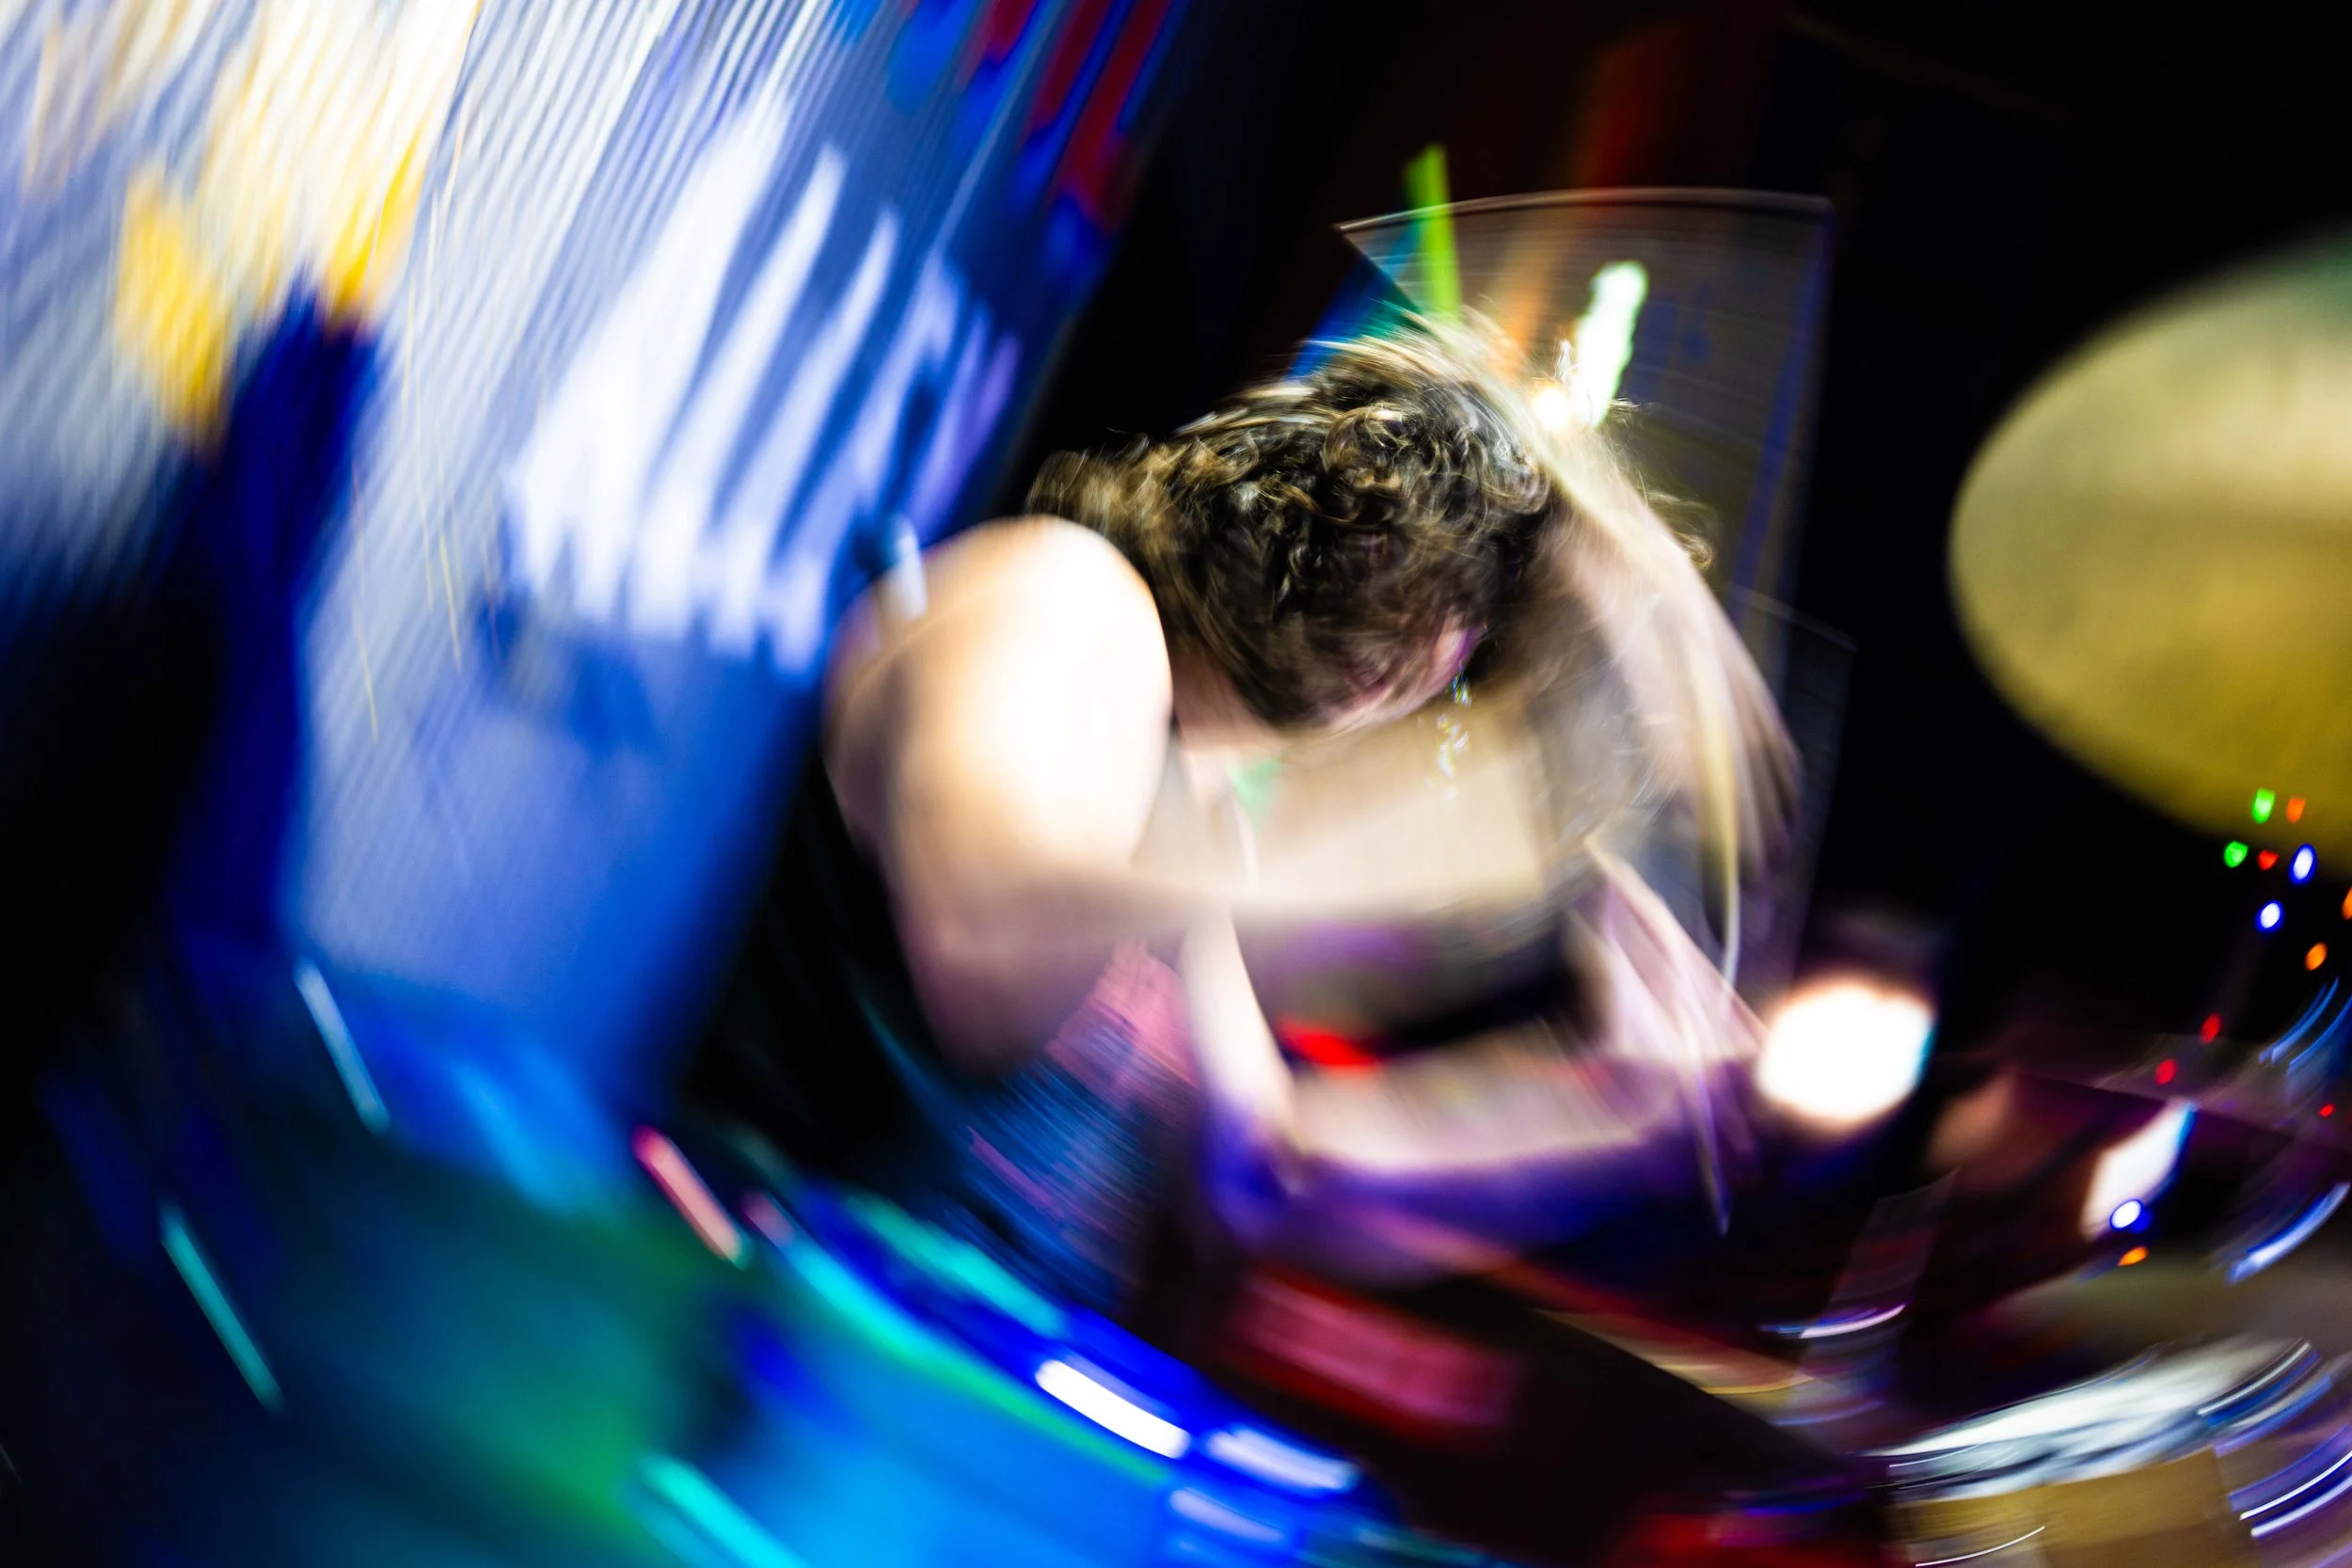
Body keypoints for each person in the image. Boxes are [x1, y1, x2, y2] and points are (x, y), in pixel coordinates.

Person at [699, 321, 1795, 1302]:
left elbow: (1269, 1167)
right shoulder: (1069, 601)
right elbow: (985, 920)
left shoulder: (1197, 814)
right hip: (731, 1306)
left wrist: (1609, 1111)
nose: (1431, 712)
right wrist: (1414, 840)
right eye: (1460, 663)